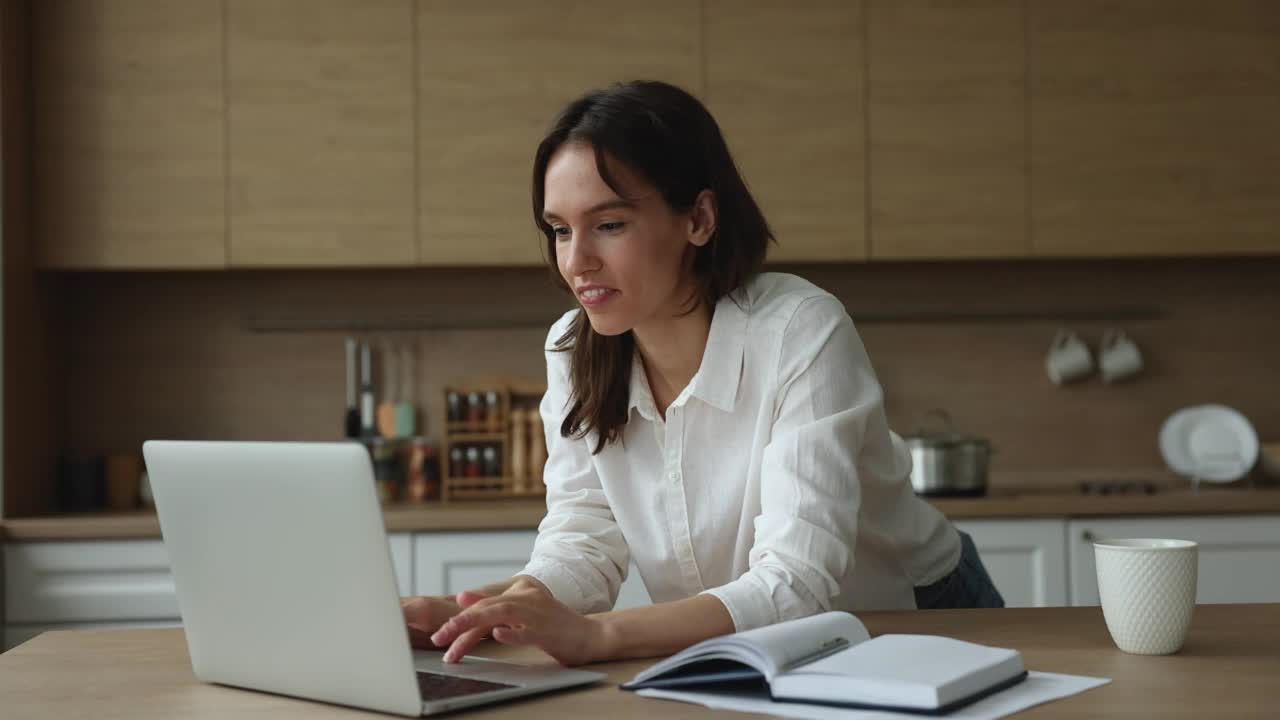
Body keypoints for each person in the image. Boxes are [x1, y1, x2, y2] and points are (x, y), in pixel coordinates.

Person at [402, 80, 1003, 667]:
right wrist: (486, 610)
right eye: (559, 230)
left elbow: (797, 581)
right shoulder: (572, 347)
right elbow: (583, 538)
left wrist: (596, 637)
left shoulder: (800, 330)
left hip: (911, 614)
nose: (576, 262)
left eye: (609, 225)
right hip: (752, 641)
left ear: (699, 218)